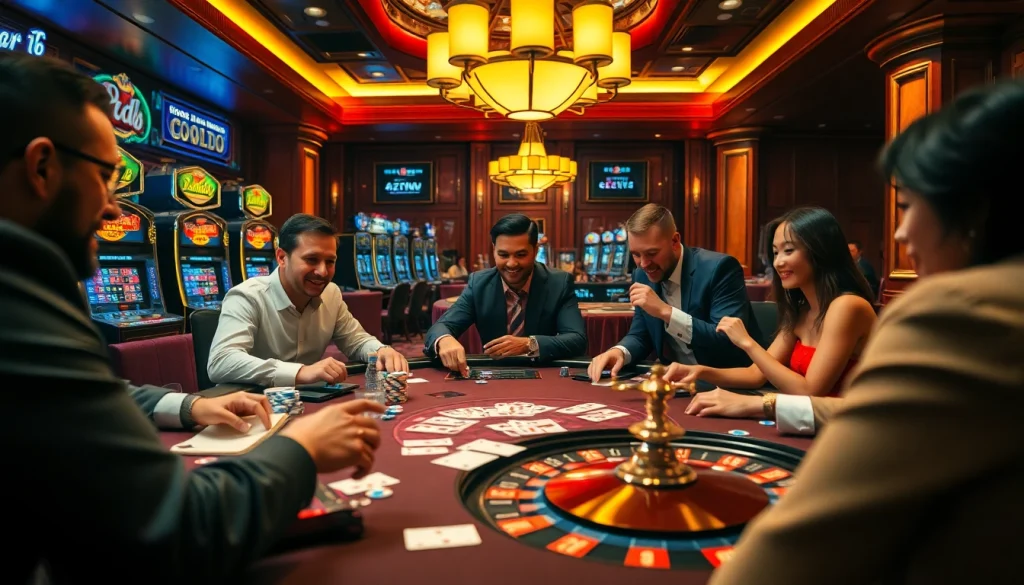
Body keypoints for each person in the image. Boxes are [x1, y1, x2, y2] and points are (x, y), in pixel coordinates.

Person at [0, 53, 386, 583]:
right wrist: (301, 449)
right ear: (42, 167)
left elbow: (72, 397)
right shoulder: (18, 304)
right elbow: (177, 532)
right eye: (108, 176)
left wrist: (188, 404)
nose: (116, 209)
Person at [709, 80, 1024, 585]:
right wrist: (709, 373)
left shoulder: (964, 313)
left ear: (973, 213)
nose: (899, 234)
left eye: (909, 206)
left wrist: (760, 398)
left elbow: (806, 542)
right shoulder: (797, 308)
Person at [671, 207, 877, 424]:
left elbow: (811, 392)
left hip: (854, 429)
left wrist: (747, 343)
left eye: (788, 251)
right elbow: (756, 375)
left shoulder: (847, 306)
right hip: (810, 424)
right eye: (775, 252)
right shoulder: (802, 309)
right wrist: (699, 371)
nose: (778, 262)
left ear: (820, 251)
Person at [208, 213, 409, 386]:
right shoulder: (247, 297)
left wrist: (381, 350)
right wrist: (300, 372)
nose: (322, 271)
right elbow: (221, 362)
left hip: (303, 402)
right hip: (247, 406)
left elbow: (356, 341)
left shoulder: (331, 293)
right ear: (281, 258)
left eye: (330, 262)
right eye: (311, 259)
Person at [588, 204, 761, 382]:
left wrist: (666, 312)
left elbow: (726, 341)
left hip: (728, 383)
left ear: (675, 241)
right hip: (676, 383)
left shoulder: (719, 269)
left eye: (652, 253)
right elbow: (640, 336)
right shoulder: (641, 274)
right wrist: (619, 352)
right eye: (636, 254)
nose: (644, 264)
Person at [424, 214, 586, 375]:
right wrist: (444, 339)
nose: (511, 263)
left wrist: (530, 344)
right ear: (494, 249)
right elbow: (440, 327)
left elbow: (576, 339)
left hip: (544, 373)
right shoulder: (479, 283)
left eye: (520, 255)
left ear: (535, 250)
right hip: (493, 374)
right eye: (503, 255)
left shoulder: (559, 283)